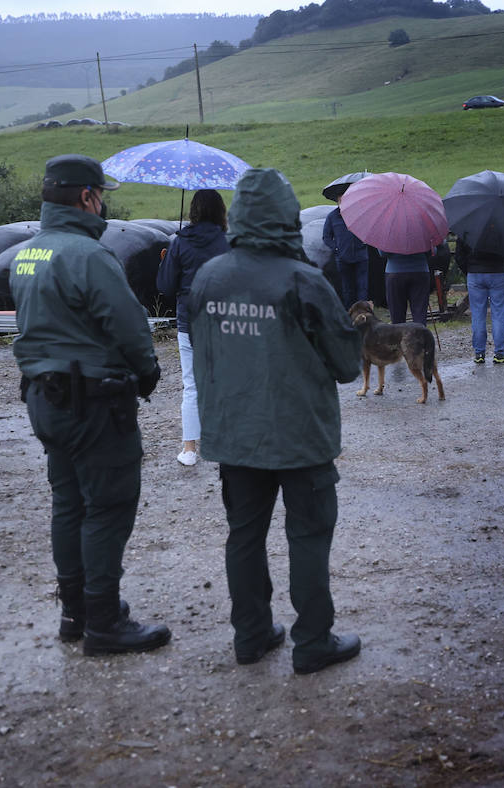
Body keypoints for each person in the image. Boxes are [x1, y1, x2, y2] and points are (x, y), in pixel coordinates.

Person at [189, 167, 364, 674]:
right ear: (288, 217)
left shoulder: (207, 276)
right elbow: (349, 366)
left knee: (244, 535)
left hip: (233, 436)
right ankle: (313, 642)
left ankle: (250, 635)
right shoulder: (304, 280)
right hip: (300, 437)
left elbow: (204, 352)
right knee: (308, 536)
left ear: (239, 215)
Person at [10, 154, 170, 655]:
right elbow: (129, 328)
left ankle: (75, 613)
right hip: (94, 402)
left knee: (69, 503)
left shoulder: (27, 253)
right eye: (101, 195)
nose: (103, 205)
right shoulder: (90, 255)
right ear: (86, 197)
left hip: (44, 397)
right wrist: (147, 375)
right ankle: (104, 622)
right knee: (107, 507)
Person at [155, 189, 230, 467]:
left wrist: (167, 261)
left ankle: (189, 450)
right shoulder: (228, 242)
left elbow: (165, 286)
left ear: (194, 211)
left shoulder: (179, 242)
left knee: (192, 386)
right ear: (220, 211)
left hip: (190, 323)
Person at [455, 236, 504, 364]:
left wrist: (469, 269)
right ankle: (499, 353)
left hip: (475, 274)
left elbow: (459, 255)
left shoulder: (468, 226)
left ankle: (479, 353)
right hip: (499, 272)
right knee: (498, 314)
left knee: (477, 314)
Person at [321, 197, 368, 307]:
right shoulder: (332, 216)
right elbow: (326, 237)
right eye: (341, 200)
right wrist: (336, 248)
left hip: (361, 256)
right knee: (347, 288)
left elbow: (368, 228)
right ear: (337, 202)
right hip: (342, 258)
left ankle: (364, 311)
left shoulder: (359, 213)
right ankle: (350, 312)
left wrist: (364, 241)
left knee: (363, 286)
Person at [381, 246, 432, 326]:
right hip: (420, 271)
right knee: (420, 315)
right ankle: (420, 337)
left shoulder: (389, 233)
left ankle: (399, 337)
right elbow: (432, 251)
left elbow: (383, 253)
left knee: (397, 318)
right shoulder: (423, 233)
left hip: (395, 272)